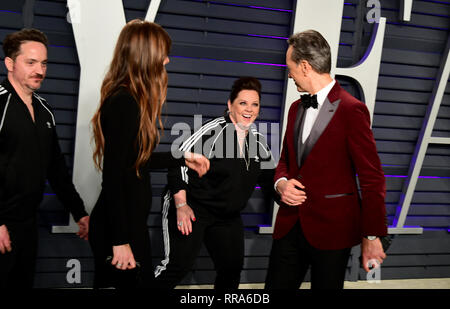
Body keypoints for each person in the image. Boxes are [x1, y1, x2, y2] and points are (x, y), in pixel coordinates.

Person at [89, 19, 209, 289]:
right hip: (119, 230)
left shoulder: (130, 100)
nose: (166, 61)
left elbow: (135, 161)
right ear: (146, 58)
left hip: (127, 225)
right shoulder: (124, 103)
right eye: (162, 54)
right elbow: (113, 178)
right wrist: (120, 242)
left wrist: (182, 157)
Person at [264, 30, 387, 289]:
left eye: (290, 67)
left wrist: (372, 234)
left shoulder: (352, 109)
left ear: (305, 67)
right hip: (289, 226)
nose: (289, 74)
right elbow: (285, 160)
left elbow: (371, 177)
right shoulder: (295, 108)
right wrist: (281, 183)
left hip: (333, 230)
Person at [152, 76, 275, 289]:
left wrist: (285, 188)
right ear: (230, 105)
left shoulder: (258, 141)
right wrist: (181, 205)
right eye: (243, 103)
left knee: (231, 269)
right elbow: (178, 163)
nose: (249, 109)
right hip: (193, 207)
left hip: (226, 216)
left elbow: (270, 178)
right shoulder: (212, 131)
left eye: (255, 104)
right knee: (176, 267)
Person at [0, 28, 89, 288]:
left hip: (28, 223)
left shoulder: (44, 110)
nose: (40, 69)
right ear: (10, 63)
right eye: (30, 62)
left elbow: (56, 169)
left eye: (43, 63)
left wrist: (79, 212)